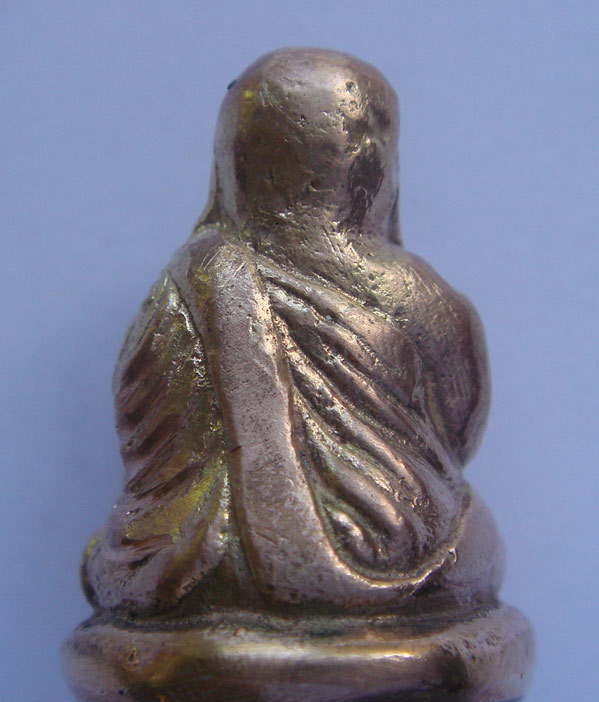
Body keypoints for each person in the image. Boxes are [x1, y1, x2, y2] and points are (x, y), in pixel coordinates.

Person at [83, 48, 504, 617]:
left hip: (186, 562)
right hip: (395, 543)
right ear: (373, 160)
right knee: (466, 534)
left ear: (231, 164)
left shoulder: (185, 285)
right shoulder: (419, 295)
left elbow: (136, 429)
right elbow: (458, 430)